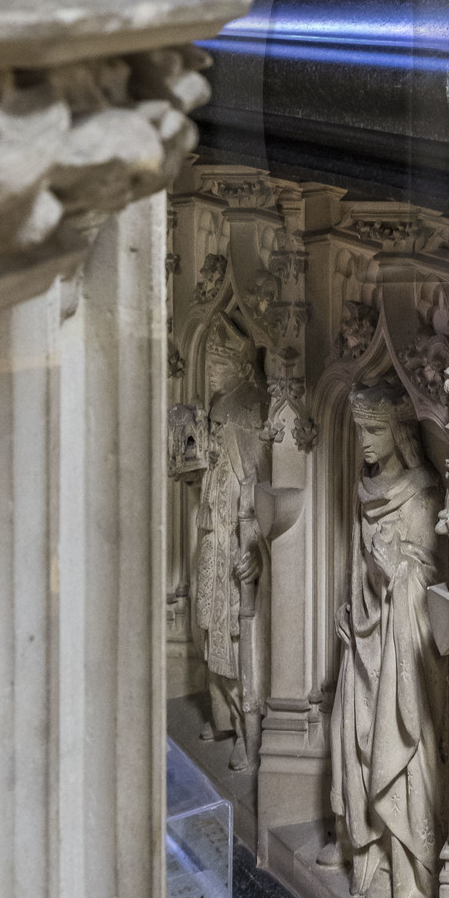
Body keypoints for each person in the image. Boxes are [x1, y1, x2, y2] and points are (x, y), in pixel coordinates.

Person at [326, 381, 446, 898]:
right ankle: (365, 844)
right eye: (359, 431)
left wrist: (396, 574)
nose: (366, 443)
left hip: (401, 640)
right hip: (365, 634)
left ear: (400, 431)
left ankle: (406, 868)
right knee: (351, 736)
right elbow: (358, 557)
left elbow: (424, 569)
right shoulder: (364, 487)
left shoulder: (421, 492)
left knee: (398, 744)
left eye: (375, 431)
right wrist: (349, 602)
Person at [193, 319, 268, 772]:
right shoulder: (221, 407)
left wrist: (254, 546)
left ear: (241, 366)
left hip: (236, 545)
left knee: (239, 642)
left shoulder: (249, 412)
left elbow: (262, 486)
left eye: (219, 362)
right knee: (208, 630)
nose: (210, 372)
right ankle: (221, 715)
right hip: (212, 540)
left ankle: (246, 730)